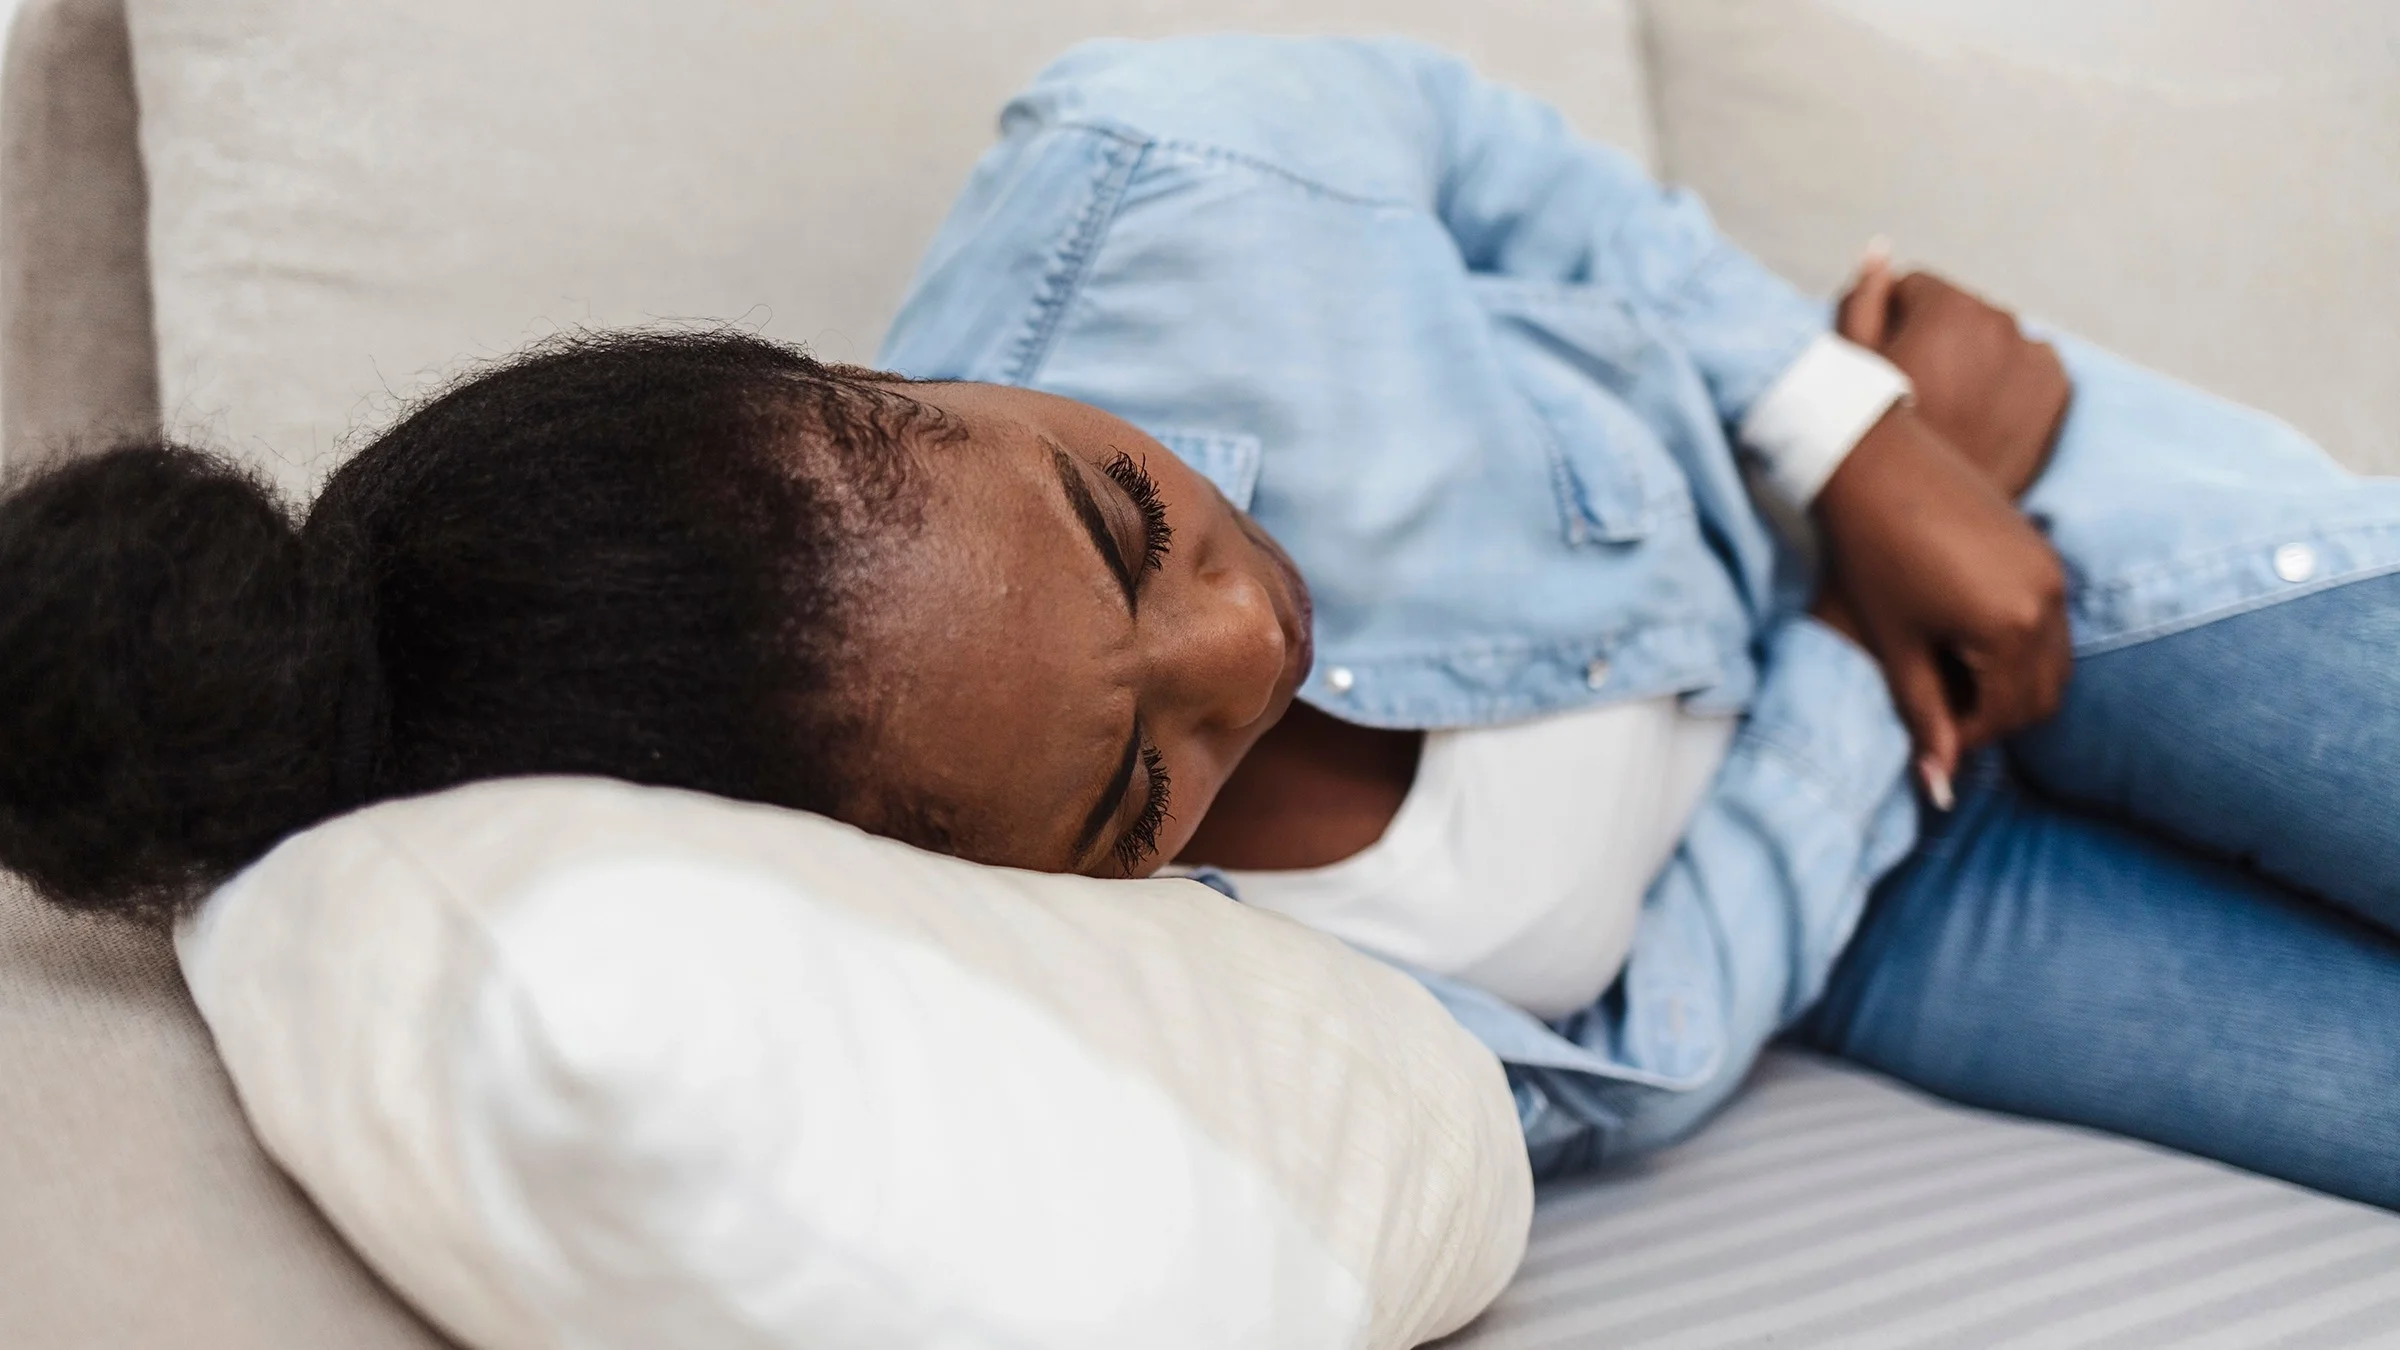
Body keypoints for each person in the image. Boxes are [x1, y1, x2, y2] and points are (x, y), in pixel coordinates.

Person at [2, 35, 2395, 1207]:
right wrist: (1870, 706)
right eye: (1139, 785)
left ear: (892, 379)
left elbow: (1495, 157)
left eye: (1131, 522)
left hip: (2002, 510)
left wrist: (1844, 422)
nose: (1244, 645)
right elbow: (1653, 1057)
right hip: (1893, 884)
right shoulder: (1165, 1003)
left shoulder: (1156, 179)